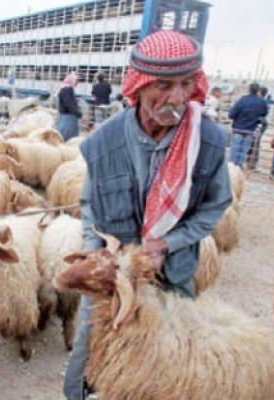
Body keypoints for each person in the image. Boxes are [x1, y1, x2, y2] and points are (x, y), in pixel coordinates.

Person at [63, 30, 233, 400]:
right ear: (138, 85)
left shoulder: (209, 141)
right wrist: (97, 251)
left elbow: (215, 205)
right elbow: (91, 204)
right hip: (115, 272)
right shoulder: (103, 141)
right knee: (91, 344)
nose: (176, 97)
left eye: (186, 84)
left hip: (173, 272)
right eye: (163, 84)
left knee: (172, 356)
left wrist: (169, 243)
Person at [228, 82, 268, 166]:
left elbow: (231, 114)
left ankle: (231, 170)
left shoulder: (242, 100)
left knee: (234, 151)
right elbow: (264, 114)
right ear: (258, 90)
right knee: (243, 152)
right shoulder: (262, 102)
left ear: (249, 89)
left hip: (238, 128)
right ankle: (238, 168)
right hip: (250, 130)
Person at [245, 86, 271, 169]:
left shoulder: (261, 102)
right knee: (254, 143)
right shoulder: (264, 102)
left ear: (260, 92)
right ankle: (251, 161)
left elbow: (262, 117)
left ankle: (252, 162)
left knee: (254, 143)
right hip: (260, 125)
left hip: (258, 126)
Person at [57, 72, 82, 141]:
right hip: (68, 119)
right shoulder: (67, 90)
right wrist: (80, 114)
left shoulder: (64, 89)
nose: (77, 83)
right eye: (76, 80)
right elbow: (70, 105)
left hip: (64, 117)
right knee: (68, 138)